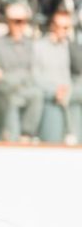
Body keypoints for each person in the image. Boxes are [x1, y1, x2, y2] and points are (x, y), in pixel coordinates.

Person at [0, 3, 45, 141]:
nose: (19, 25)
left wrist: (11, 76)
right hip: (3, 91)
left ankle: (26, 135)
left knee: (37, 95)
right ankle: (9, 137)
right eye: (15, 21)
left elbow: (32, 72)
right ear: (8, 21)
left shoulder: (31, 45)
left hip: (24, 88)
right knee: (10, 100)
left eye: (22, 21)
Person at [34, 8, 81, 144]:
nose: (61, 31)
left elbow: (78, 76)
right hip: (50, 100)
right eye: (58, 26)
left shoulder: (73, 48)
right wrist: (54, 91)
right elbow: (35, 76)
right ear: (51, 25)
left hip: (72, 100)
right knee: (51, 143)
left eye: (65, 27)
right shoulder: (39, 47)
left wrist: (69, 92)